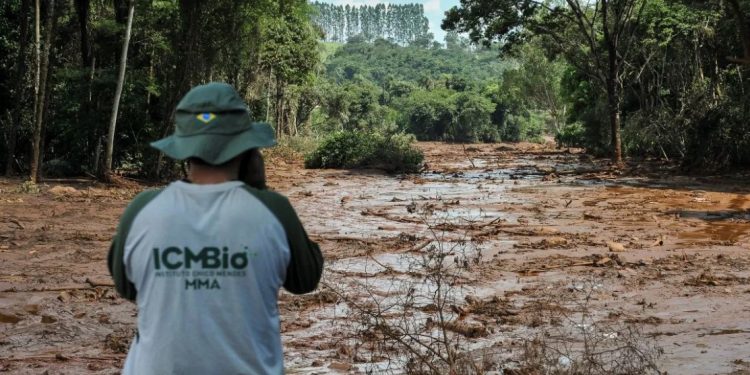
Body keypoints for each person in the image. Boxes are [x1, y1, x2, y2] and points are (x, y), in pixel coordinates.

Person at [107, 82, 324, 374]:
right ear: (246, 148)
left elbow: (129, 288)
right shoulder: (273, 210)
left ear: (184, 149)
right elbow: (305, 280)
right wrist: (258, 189)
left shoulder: (142, 209)